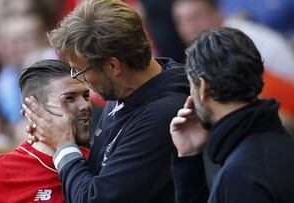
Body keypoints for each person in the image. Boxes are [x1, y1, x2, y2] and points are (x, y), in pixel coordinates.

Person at [22, 0, 189, 202]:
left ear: (113, 66)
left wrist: (63, 144)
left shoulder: (164, 115)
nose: (80, 79)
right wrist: (60, 133)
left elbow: (95, 198)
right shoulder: (124, 91)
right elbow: (107, 164)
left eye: (81, 71)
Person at [170, 27, 294, 203]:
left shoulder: (241, 177)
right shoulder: (278, 141)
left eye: (191, 84)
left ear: (204, 88)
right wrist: (189, 157)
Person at [0, 59, 91, 203]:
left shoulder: (102, 162)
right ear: (33, 111)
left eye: (86, 96)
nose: (84, 105)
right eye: (70, 99)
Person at [171, 0, 294, 134]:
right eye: (181, 21)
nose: (189, 28)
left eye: (196, 17)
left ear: (218, 13)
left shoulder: (250, 42)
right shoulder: (204, 50)